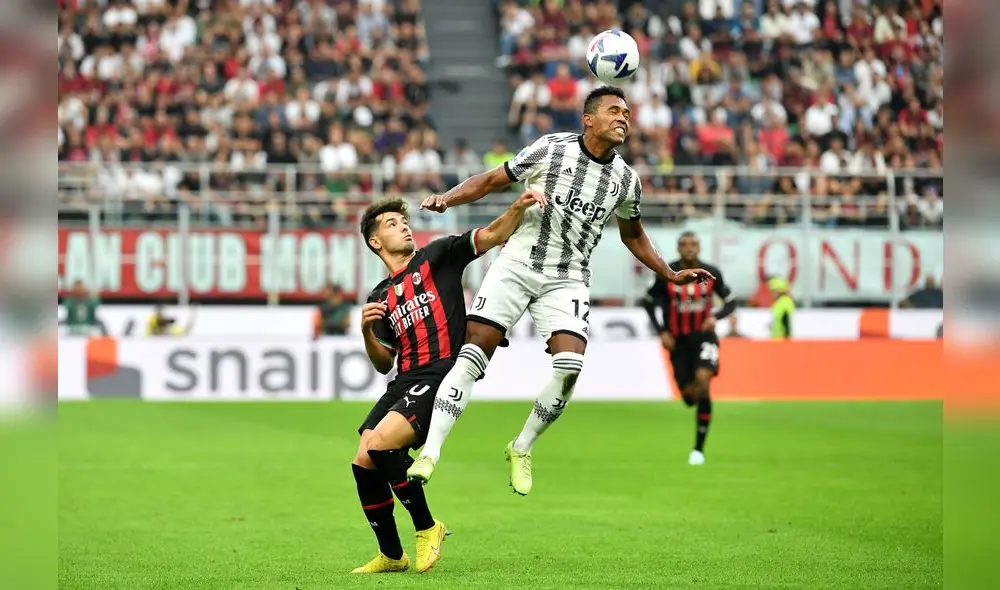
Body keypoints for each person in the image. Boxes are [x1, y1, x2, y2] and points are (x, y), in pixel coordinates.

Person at [407, 86, 714, 495]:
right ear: (588, 119)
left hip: (567, 278)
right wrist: (448, 198)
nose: (623, 118)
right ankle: (431, 451)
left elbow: (634, 235)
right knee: (472, 355)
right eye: (613, 111)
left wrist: (669, 273)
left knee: (570, 366)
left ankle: (521, 447)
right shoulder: (551, 148)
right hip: (516, 263)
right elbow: (493, 179)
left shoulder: (626, 180)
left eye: (627, 112)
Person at [350, 192, 544, 574]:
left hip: (442, 372)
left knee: (380, 445)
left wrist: (517, 209)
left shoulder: (438, 255)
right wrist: (366, 332)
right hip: (403, 380)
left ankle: (428, 527)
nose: (404, 226)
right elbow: (381, 363)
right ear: (375, 242)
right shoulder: (381, 296)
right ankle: (392, 554)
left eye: (403, 221)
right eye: (391, 224)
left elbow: (489, 235)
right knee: (363, 461)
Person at [640, 231, 735, 466]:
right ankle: (695, 405)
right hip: (678, 341)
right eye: (684, 244)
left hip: (704, 337)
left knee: (703, 381)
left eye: (693, 244)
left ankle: (698, 449)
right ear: (679, 248)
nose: (689, 248)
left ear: (699, 247)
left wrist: (717, 316)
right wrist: (661, 330)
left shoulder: (712, 273)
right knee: (690, 397)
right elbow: (648, 302)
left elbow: (731, 301)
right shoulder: (668, 273)